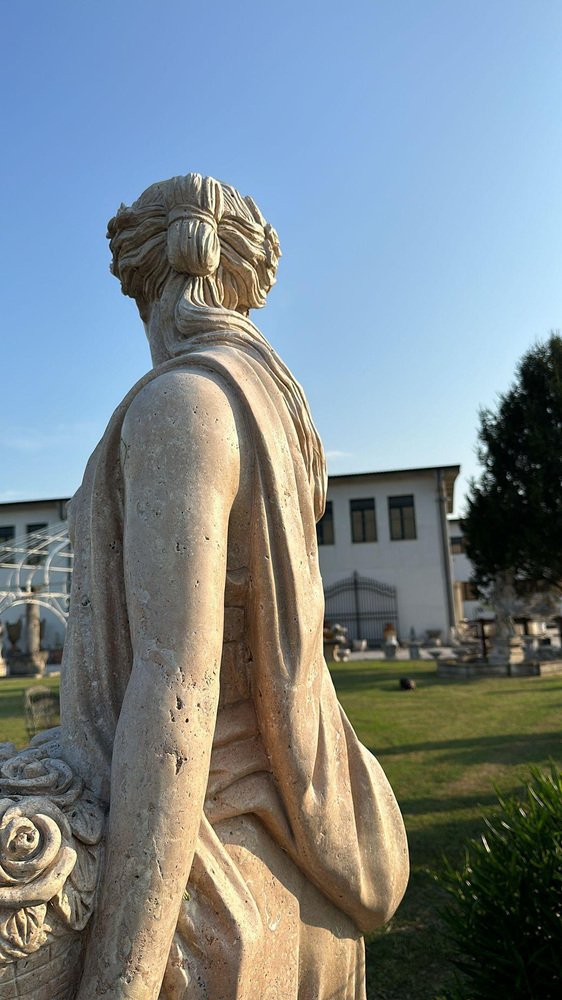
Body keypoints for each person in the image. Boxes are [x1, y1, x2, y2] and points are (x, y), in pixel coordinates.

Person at [60, 173, 409, 1000]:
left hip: (207, 864)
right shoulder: (274, 409)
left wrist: (121, 976)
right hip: (292, 848)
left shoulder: (181, 404)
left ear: (143, 284)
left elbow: (176, 680)